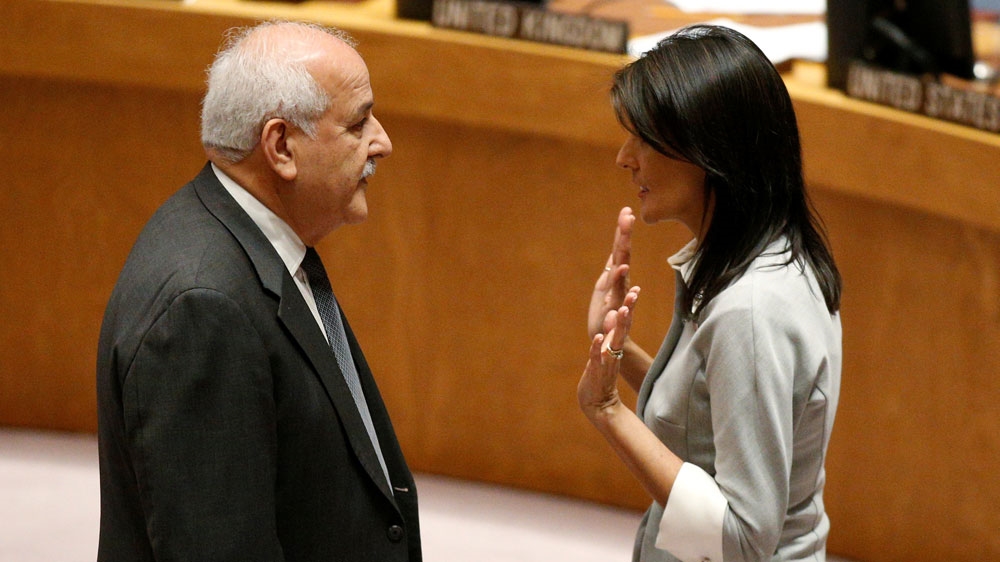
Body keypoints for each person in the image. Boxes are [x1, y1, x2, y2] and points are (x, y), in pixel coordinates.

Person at [96, 21, 421, 562]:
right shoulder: (202, 310)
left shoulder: (257, 241)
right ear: (281, 146)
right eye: (359, 123)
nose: (382, 143)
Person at [578, 25, 843, 562]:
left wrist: (609, 412)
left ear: (709, 154)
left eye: (644, 139)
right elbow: (709, 416)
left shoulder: (750, 310)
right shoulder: (773, 254)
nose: (624, 158)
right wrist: (615, 351)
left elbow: (742, 542)